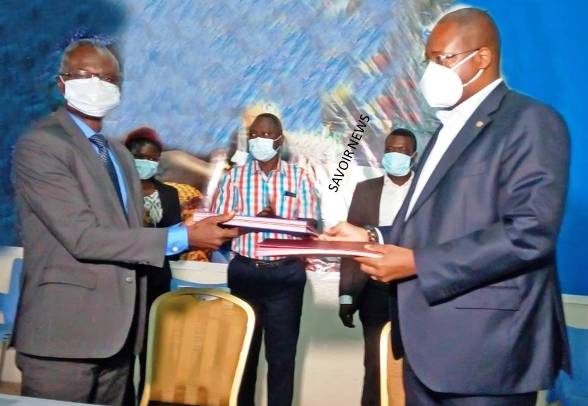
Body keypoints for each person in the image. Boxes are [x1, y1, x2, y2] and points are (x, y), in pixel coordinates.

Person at [322, 8, 570, 405]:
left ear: (482, 57)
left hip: (487, 354)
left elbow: (530, 233)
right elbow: (432, 225)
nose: (431, 72)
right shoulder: (445, 130)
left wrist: (418, 263)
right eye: (428, 60)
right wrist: (371, 235)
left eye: (443, 59)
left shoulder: (530, 121)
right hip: (426, 350)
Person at [11, 39, 238, 405]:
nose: (96, 84)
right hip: (64, 337)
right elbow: (83, 237)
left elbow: (129, 235)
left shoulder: (117, 153)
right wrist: (182, 237)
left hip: (120, 336)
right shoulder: (41, 145)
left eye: (107, 78)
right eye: (84, 75)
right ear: (62, 83)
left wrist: (201, 228)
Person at [211, 113, 318, 406]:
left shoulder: (298, 177)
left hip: (285, 275)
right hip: (246, 272)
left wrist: (277, 221)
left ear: (280, 140)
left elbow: (310, 225)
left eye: (266, 135)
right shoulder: (235, 177)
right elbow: (219, 225)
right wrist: (252, 223)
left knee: (281, 359)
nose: (259, 140)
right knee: (243, 355)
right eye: (254, 135)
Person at [339, 128, 416, 406]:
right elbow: (351, 248)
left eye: (402, 151)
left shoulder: (426, 192)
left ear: (414, 156)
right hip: (374, 292)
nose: (396, 155)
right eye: (391, 150)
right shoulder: (365, 190)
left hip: (414, 292)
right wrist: (346, 296)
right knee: (374, 366)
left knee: (413, 369)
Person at [123, 127, 182, 399]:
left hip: (157, 280)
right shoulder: (116, 191)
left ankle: (148, 398)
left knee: (153, 349)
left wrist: (156, 240)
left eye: (154, 159)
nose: (149, 163)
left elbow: (176, 240)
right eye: (143, 158)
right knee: (123, 350)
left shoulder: (169, 194)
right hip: (124, 280)